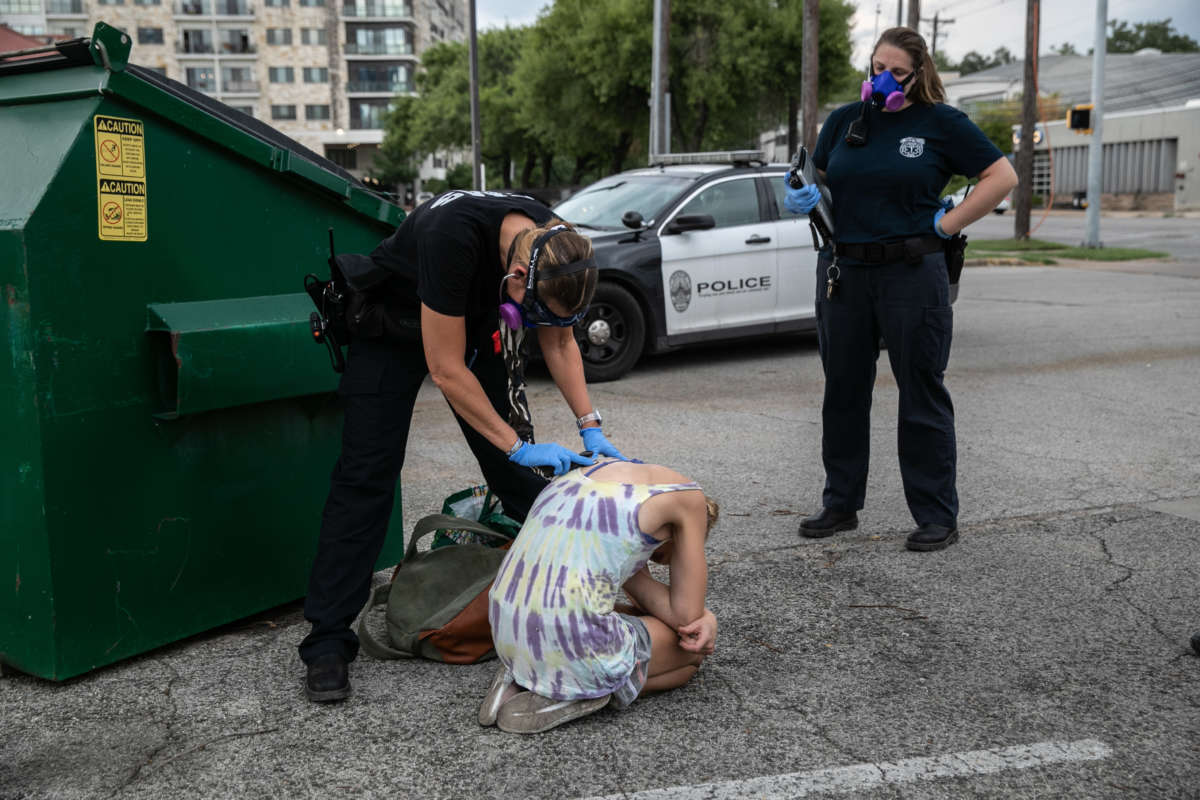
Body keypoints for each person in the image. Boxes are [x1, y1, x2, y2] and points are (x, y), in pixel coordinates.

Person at [300, 190, 628, 702]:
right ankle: (326, 640)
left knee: (517, 474)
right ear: (518, 278)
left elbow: (560, 339)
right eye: (532, 311)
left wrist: (590, 425)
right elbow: (445, 367)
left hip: (467, 326)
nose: (537, 323)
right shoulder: (449, 235)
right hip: (390, 326)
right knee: (367, 473)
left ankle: (585, 597)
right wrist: (516, 446)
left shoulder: (555, 239)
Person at [783, 27, 1018, 552]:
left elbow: (1001, 177)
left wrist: (947, 224)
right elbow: (820, 176)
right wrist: (801, 191)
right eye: (875, 67)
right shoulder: (846, 121)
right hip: (843, 271)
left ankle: (936, 515)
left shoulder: (941, 123)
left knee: (920, 391)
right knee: (843, 390)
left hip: (912, 272)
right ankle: (840, 504)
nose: (880, 78)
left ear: (917, 75)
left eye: (894, 71)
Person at [477, 457, 719, 734]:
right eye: (659, 556)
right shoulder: (689, 501)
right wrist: (708, 617)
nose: (651, 561)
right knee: (691, 658)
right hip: (576, 644)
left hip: (508, 633)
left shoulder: (588, 474)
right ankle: (577, 693)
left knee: (605, 612)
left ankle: (520, 677)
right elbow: (687, 618)